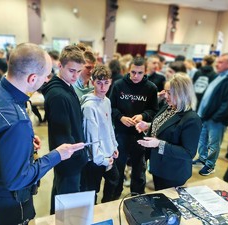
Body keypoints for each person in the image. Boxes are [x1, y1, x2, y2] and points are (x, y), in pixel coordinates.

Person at [0, 43, 85, 225]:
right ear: (33, 78)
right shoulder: (16, 122)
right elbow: (18, 180)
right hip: (10, 199)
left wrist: (22, 142)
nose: (47, 80)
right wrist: (56, 155)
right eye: (45, 76)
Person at [41, 45, 88, 214]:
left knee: (60, 198)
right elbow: (63, 136)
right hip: (69, 160)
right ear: (60, 66)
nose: (76, 76)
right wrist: (80, 155)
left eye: (79, 71)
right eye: (71, 71)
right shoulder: (58, 95)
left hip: (67, 159)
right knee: (67, 207)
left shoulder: (65, 86)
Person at [136, 73, 202, 190]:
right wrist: (148, 126)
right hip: (159, 166)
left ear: (182, 94)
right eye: (165, 91)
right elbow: (166, 128)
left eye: (170, 93)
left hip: (173, 172)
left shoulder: (192, 119)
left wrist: (158, 144)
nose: (166, 96)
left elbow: (188, 153)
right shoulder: (169, 107)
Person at [109, 57, 158, 198]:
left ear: (145, 72)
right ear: (128, 70)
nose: (135, 76)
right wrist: (120, 117)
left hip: (139, 135)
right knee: (118, 168)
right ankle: (114, 196)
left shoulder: (151, 88)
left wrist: (143, 116)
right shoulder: (118, 85)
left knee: (139, 170)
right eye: (133, 72)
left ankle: (137, 196)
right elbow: (110, 107)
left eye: (139, 73)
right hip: (120, 133)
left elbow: (154, 110)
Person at [193, 53, 228, 176]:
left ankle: (210, 165)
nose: (217, 64)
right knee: (202, 140)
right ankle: (202, 158)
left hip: (216, 119)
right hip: (206, 116)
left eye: (220, 62)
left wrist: (215, 118)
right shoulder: (220, 75)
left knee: (213, 143)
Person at [81, 64, 119, 203]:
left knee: (114, 181)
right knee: (92, 191)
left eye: (106, 83)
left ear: (110, 83)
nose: (103, 87)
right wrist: (101, 159)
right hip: (95, 159)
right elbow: (91, 137)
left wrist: (114, 146)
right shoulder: (89, 107)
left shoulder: (106, 101)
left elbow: (109, 127)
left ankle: (105, 208)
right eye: (99, 83)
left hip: (109, 153)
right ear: (92, 83)